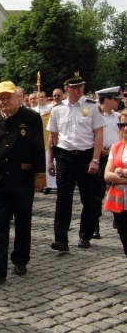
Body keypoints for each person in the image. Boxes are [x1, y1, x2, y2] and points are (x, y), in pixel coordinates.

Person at [0, 81, 46, 283]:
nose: (5, 101)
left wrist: (39, 177)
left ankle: (20, 258)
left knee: (23, 220)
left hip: (23, 179)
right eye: (2, 98)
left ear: (17, 97)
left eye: (9, 97)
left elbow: (38, 148)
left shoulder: (31, 118)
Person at [47, 72, 105, 251]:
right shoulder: (58, 109)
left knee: (88, 198)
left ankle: (85, 234)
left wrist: (95, 159)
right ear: (67, 89)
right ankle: (61, 238)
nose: (79, 90)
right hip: (64, 156)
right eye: (75, 87)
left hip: (86, 155)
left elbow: (98, 134)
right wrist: (50, 161)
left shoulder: (92, 107)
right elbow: (52, 136)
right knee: (63, 198)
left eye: (81, 86)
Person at [95, 86, 122, 239]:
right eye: (115, 99)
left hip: (116, 156)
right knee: (97, 191)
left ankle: (117, 217)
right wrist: (97, 149)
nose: (118, 102)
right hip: (101, 155)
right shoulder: (95, 115)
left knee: (117, 188)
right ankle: (95, 225)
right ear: (107, 100)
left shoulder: (118, 117)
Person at [103, 109, 127, 257]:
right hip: (120, 203)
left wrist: (121, 171)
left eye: (126, 124)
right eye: (121, 125)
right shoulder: (116, 146)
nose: (123, 128)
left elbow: (115, 173)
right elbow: (107, 175)